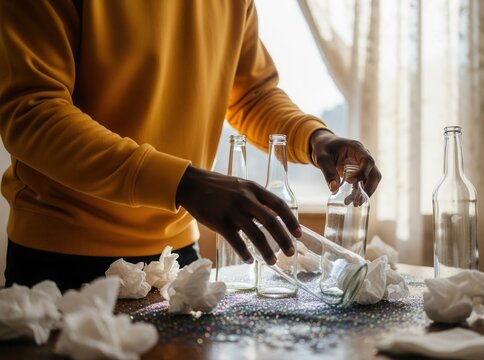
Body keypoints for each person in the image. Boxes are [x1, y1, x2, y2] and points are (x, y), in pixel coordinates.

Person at [0, 0, 381, 290]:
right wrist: (185, 183)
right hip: (62, 261)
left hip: (176, 257)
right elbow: (32, 111)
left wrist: (314, 137)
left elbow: (250, 93)